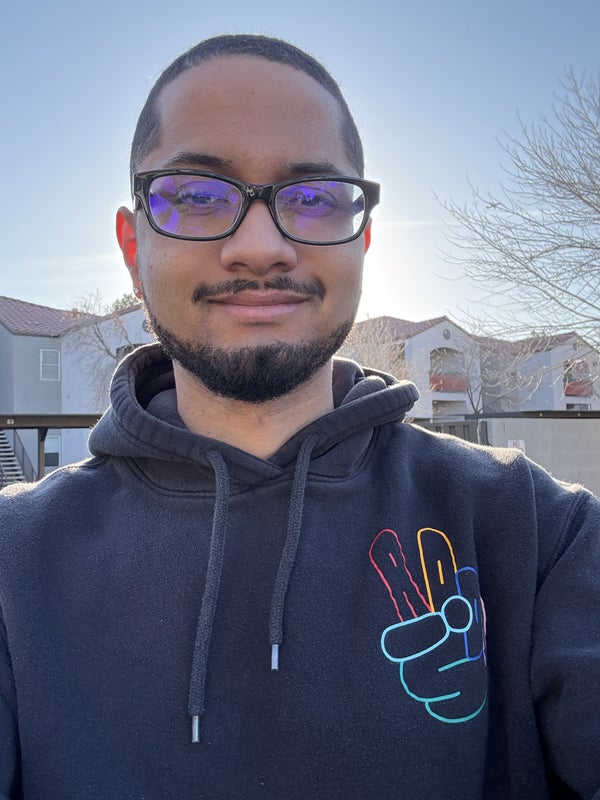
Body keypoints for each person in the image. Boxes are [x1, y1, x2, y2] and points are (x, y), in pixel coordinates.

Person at [0, 33, 598, 800]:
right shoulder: (13, 565)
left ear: (364, 241)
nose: (260, 247)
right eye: (197, 195)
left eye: (313, 199)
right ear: (131, 245)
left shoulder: (541, 534)